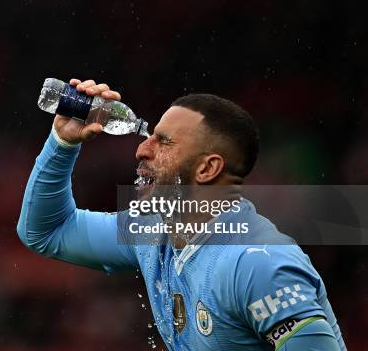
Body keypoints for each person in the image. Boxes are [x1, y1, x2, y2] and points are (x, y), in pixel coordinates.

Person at [17, 78, 346, 350]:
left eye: (164, 142)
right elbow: (48, 231)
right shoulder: (151, 230)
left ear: (207, 168)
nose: (141, 149)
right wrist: (62, 142)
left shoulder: (256, 262)